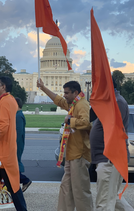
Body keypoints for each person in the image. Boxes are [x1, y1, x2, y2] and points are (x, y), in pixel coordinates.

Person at [37, 78, 93, 211]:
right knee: (65, 187)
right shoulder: (74, 104)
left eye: (67, 93)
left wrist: (70, 120)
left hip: (79, 154)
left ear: (75, 93)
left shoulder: (82, 104)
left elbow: (86, 123)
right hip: (71, 153)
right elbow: (59, 101)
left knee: (80, 190)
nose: (64, 95)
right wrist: (43, 88)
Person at [0, 64, 27, 211]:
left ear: (3, 87)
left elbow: (2, 127)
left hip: (3, 152)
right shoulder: (7, 99)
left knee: (10, 185)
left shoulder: (5, 102)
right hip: (5, 151)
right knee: (9, 184)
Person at [90, 78, 134, 211]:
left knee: (104, 202)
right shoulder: (110, 102)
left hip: (109, 158)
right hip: (106, 157)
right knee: (112, 198)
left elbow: (113, 128)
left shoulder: (117, 102)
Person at [15, 97, 32, 192]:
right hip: (16, 144)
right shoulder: (17, 115)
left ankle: (24, 180)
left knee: (14, 164)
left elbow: (17, 132)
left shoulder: (18, 116)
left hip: (16, 144)